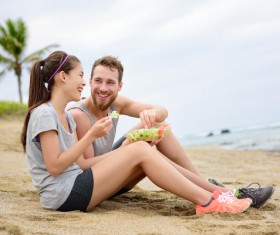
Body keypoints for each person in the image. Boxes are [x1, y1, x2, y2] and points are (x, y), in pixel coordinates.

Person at [20, 50, 252, 215]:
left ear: (119, 85)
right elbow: (55, 167)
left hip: (75, 185)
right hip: (63, 196)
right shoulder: (45, 114)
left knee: (145, 142)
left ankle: (213, 193)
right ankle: (209, 200)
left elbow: (77, 162)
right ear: (63, 77)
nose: (83, 83)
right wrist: (93, 136)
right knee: (140, 149)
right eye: (81, 76)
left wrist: (122, 148)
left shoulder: (63, 116)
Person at [68, 55, 274, 209]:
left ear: (119, 86)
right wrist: (125, 151)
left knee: (159, 126)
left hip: (113, 165)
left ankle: (206, 185)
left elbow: (162, 111)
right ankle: (221, 193)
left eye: (110, 82)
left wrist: (151, 112)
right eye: (98, 81)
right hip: (98, 185)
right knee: (141, 149)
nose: (103, 88)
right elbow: (86, 171)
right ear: (90, 82)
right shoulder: (79, 115)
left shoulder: (116, 103)